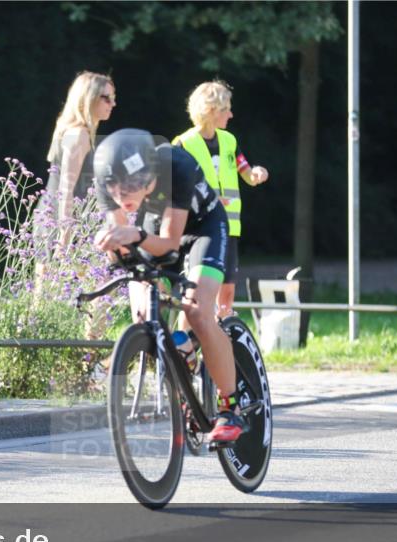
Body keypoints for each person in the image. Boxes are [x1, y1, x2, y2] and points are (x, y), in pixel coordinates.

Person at [91, 128, 246, 444]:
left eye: (132, 188)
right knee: (142, 313)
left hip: (204, 228)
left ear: (150, 178)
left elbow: (171, 245)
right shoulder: (108, 177)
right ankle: (182, 354)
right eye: (117, 191)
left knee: (198, 312)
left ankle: (231, 406)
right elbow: (125, 250)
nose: (124, 197)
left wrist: (132, 237)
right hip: (155, 226)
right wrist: (112, 245)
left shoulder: (176, 165)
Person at [173, 81, 268, 319]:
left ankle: (222, 337)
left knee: (227, 290)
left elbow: (244, 169)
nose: (231, 114)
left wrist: (255, 174)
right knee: (194, 294)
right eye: (227, 109)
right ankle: (183, 345)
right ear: (212, 110)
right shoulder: (183, 144)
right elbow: (175, 187)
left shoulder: (229, 141)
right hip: (198, 229)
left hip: (229, 227)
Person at [42, 71, 116, 251]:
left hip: (56, 217)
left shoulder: (73, 130)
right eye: (107, 98)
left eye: (113, 98)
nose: (113, 104)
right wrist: (64, 237)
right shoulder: (79, 134)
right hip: (62, 224)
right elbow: (66, 189)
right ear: (88, 98)